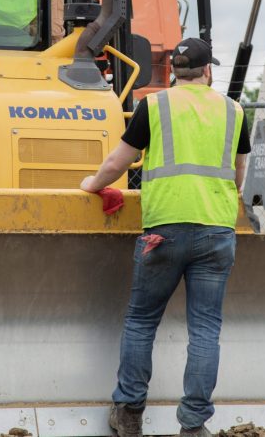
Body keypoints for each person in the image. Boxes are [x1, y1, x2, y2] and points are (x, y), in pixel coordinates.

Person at [79, 37, 251, 437]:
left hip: (163, 230)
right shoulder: (234, 110)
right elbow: (239, 174)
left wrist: (92, 184)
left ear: (175, 71)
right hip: (216, 229)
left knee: (141, 321)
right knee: (205, 329)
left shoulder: (153, 105)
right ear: (208, 72)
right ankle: (193, 425)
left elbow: (116, 163)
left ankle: (129, 413)